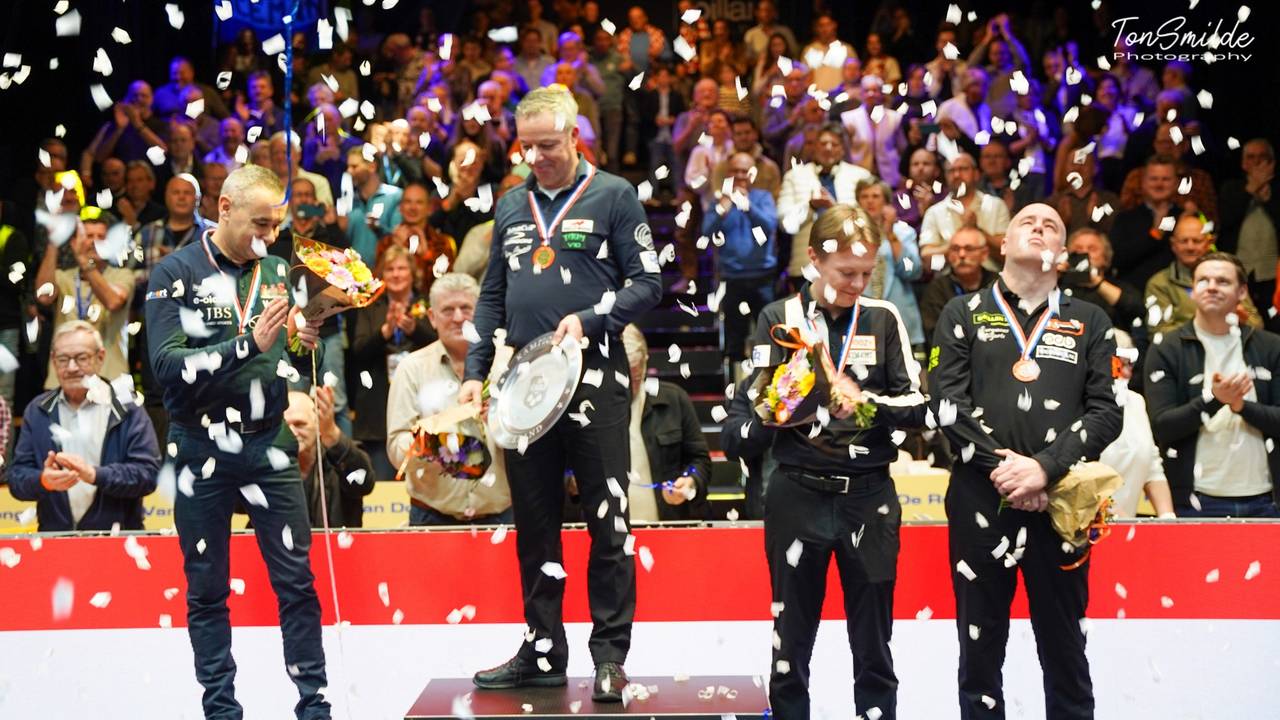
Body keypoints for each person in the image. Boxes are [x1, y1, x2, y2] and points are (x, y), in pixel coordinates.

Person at [459, 86, 662, 701]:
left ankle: (610, 655)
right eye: (527, 147)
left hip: (596, 379)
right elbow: (492, 295)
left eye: (548, 145)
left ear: (576, 136)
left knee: (608, 521)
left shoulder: (614, 196)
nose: (536, 157)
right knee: (536, 525)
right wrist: (474, 367)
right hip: (524, 386)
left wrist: (595, 316)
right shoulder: (513, 206)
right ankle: (543, 649)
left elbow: (649, 281)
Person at [144, 164, 331, 719]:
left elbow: (287, 356)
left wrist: (302, 341)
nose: (270, 239)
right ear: (223, 209)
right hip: (200, 446)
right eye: (259, 225)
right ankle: (221, 711)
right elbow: (165, 366)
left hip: (270, 444)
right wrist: (248, 345)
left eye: (275, 226)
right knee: (207, 589)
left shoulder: (276, 268)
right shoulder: (172, 272)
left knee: (296, 581)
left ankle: (313, 706)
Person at [929, 203, 1122, 720]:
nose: (1039, 228)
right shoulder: (962, 312)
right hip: (978, 501)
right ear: (1003, 243)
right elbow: (946, 404)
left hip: (1061, 503)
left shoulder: (1090, 320)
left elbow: (1107, 414)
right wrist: (1009, 470)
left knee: (1065, 648)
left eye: (1051, 226)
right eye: (1026, 223)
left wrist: (1045, 468)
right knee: (980, 647)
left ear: (1062, 252)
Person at [747, 204, 926, 720]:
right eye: (847, 273)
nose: (858, 283)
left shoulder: (883, 317)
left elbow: (918, 405)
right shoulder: (778, 319)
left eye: (867, 273)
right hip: (796, 491)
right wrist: (802, 394)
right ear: (814, 260)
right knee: (791, 642)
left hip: (867, 495)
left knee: (873, 643)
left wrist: (863, 403)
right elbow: (759, 406)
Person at [1145, 252, 1280, 518]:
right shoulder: (1168, 348)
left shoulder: (1271, 347)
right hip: (1196, 501)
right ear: (1193, 291)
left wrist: (1241, 406)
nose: (1212, 287)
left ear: (1242, 292)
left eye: (1222, 281)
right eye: (1203, 280)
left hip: (1268, 500)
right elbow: (1163, 426)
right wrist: (1214, 399)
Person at [387, 273, 513, 526]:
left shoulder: (509, 363)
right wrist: (434, 444)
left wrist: (504, 424)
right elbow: (395, 448)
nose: (458, 318)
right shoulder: (411, 368)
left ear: (482, 314)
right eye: (447, 310)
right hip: (431, 516)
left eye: (466, 308)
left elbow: (534, 438)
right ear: (432, 317)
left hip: (502, 514)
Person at [8, 321, 159, 532]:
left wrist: (95, 475)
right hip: (55, 544)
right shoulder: (38, 410)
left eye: (81, 358)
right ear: (53, 361)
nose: (72, 368)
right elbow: (16, 479)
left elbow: (148, 475)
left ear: (100, 358)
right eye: (63, 359)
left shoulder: (127, 408)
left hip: (119, 544)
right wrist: (42, 480)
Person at [348, 244, 436, 481]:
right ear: (382, 274)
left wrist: (414, 329)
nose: (396, 274)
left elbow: (439, 344)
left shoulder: (426, 304)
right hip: (377, 403)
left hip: (422, 402)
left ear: (412, 273)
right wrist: (385, 332)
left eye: (401, 268)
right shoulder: (368, 306)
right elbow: (358, 351)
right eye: (390, 269)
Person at [619, 325, 710, 521]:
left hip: (667, 527)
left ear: (645, 362)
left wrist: (690, 481)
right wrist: (572, 482)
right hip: (607, 536)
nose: (630, 387)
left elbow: (699, 460)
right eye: (622, 377)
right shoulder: (590, 407)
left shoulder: (673, 399)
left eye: (635, 377)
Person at [35, 209, 132, 388]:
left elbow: (113, 302)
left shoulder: (123, 276)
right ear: (73, 243)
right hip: (63, 381)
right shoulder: (63, 277)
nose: (94, 241)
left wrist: (83, 261)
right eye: (88, 236)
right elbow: (43, 296)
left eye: (101, 237)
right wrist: (53, 242)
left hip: (110, 380)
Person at [702, 151, 778, 365]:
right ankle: (736, 390)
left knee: (769, 337)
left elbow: (770, 226)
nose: (740, 175)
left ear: (753, 173)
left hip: (763, 277)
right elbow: (706, 233)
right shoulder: (719, 200)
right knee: (734, 341)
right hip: (732, 278)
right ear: (728, 173)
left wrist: (747, 206)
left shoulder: (763, 198)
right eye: (735, 170)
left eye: (745, 171)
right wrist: (720, 212)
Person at [777, 124, 872, 284]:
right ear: (814, 147)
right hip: (806, 266)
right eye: (823, 143)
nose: (828, 148)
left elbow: (868, 223)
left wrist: (834, 209)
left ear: (843, 149)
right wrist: (811, 206)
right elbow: (785, 224)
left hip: (850, 265)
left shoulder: (860, 176)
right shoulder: (794, 175)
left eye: (834, 144)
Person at [1146, 215, 1262, 338]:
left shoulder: (1230, 278)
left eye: (1197, 241)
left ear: (1209, 242)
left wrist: (1244, 319)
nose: (1190, 247)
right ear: (1173, 245)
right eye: (1184, 241)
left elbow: (1256, 324)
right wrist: (1208, 329)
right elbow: (1158, 332)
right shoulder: (1159, 283)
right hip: (1185, 353)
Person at [1099, 332, 1175, 519]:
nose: (1126, 371)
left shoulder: (1136, 401)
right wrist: (1113, 516)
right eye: (1118, 363)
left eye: (1129, 363)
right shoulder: (1073, 404)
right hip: (1080, 532)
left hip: (1127, 531)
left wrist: (1168, 518)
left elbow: (1152, 467)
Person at [284, 387, 375, 528]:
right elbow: (240, 506)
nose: (291, 432)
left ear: (317, 423)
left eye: (299, 424)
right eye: (284, 426)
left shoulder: (339, 456)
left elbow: (364, 485)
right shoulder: (268, 461)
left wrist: (331, 434)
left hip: (338, 547)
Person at [856, 178, 925, 347]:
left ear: (887, 203)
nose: (870, 201)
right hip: (862, 318)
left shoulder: (903, 232)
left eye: (875, 196)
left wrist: (891, 235)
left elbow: (913, 270)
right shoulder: (851, 234)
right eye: (864, 196)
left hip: (900, 315)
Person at [1218, 139, 1280, 325]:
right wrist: (1251, 189)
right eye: (1251, 157)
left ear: (1272, 162)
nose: (1257, 162)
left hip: (1273, 273)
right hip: (1239, 270)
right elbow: (1226, 221)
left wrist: (1269, 201)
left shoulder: (1277, 190)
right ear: (1243, 163)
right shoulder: (1231, 188)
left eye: (1263, 157)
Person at [919, 152, 1010, 265]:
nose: (957, 175)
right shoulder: (934, 212)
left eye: (963, 169)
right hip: (948, 279)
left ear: (976, 174)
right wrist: (955, 245)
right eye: (951, 171)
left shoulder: (996, 205)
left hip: (991, 277)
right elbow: (926, 258)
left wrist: (978, 230)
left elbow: (1007, 253)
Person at [919, 225, 996, 351]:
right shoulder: (936, 289)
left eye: (969, 249)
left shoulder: (997, 285)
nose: (961, 255)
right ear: (949, 255)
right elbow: (935, 335)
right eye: (955, 249)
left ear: (984, 254)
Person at [1109, 156, 1183, 288]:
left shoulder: (1186, 217)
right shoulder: (1125, 218)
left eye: (1166, 179)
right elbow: (1116, 259)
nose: (1159, 184)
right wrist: (1155, 234)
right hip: (1133, 295)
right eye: (1153, 179)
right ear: (1143, 183)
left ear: (1176, 183)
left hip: (1177, 293)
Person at [1060, 229, 1144, 333]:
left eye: (1092, 249)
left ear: (1105, 257)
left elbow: (1137, 309)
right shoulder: (1059, 284)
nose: (1084, 253)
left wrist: (1096, 282)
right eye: (1078, 249)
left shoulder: (1118, 286)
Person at [840, 74, 907, 187]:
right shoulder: (849, 119)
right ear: (861, 94)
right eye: (866, 90)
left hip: (889, 177)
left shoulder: (894, 118)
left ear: (881, 94)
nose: (871, 94)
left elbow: (902, 148)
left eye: (875, 90)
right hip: (859, 176)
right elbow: (845, 151)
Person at [344, 144, 403, 265]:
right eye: (348, 167)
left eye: (354, 167)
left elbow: (399, 238)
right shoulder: (348, 201)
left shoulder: (395, 196)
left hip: (387, 272)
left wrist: (379, 228)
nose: (349, 171)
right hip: (353, 276)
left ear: (371, 166)